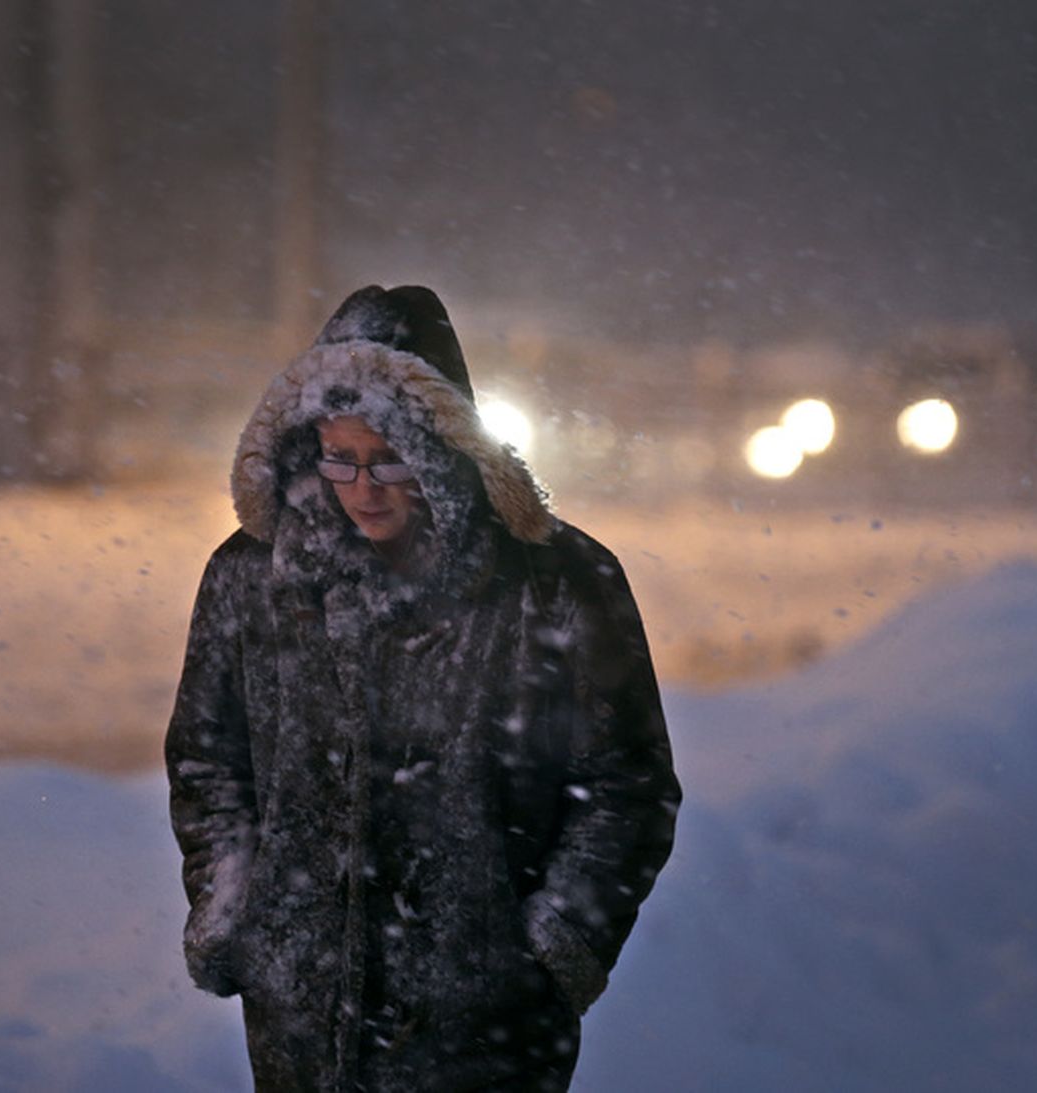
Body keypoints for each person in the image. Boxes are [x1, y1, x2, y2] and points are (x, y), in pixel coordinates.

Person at [165, 284, 681, 1091]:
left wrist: (548, 946)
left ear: (442, 447)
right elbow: (207, 762)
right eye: (339, 456)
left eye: (388, 458)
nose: (362, 485)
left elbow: (627, 786)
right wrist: (235, 908)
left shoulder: (557, 581)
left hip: (485, 1028)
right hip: (300, 1016)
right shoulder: (249, 576)